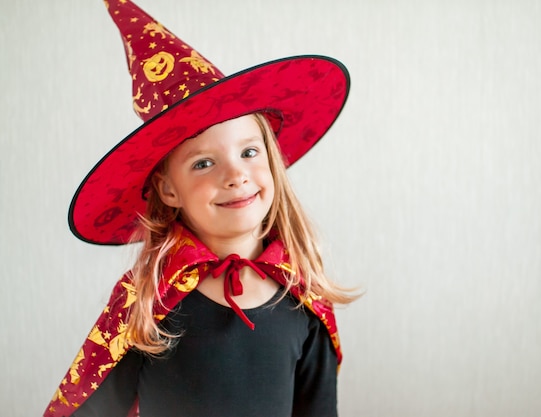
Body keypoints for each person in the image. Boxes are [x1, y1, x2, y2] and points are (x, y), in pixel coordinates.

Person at [44, 1, 358, 416]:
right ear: (169, 190)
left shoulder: (307, 299)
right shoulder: (147, 301)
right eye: (203, 163)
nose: (235, 175)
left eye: (249, 152)